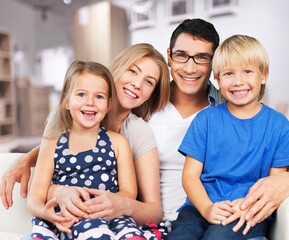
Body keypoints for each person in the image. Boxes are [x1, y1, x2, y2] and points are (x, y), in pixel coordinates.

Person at [147, 18, 289, 234]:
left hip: (244, 210)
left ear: (264, 75)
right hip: (195, 210)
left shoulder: (276, 125)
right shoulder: (150, 104)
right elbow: (190, 175)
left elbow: (277, 181)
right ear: (219, 77)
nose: (238, 81)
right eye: (229, 74)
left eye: (201, 58)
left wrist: (248, 206)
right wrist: (206, 208)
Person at [1, 43, 171, 239]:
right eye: (132, 71)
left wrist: (119, 204)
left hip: (111, 218)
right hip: (65, 218)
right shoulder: (63, 120)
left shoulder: (135, 133)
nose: (137, 84)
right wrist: (29, 161)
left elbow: (151, 208)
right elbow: (53, 157)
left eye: (149, 82)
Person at [27, 60, 138, 239]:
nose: (90, 103)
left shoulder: (117, 142)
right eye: (81, 94)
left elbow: (129, 192)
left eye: (99, 97)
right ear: (66, 101)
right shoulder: (53, 142)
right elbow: (35, 197)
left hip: (106, 217)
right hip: (65, 219)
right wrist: (46, 213)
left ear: (109, 105)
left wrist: (105, 203)